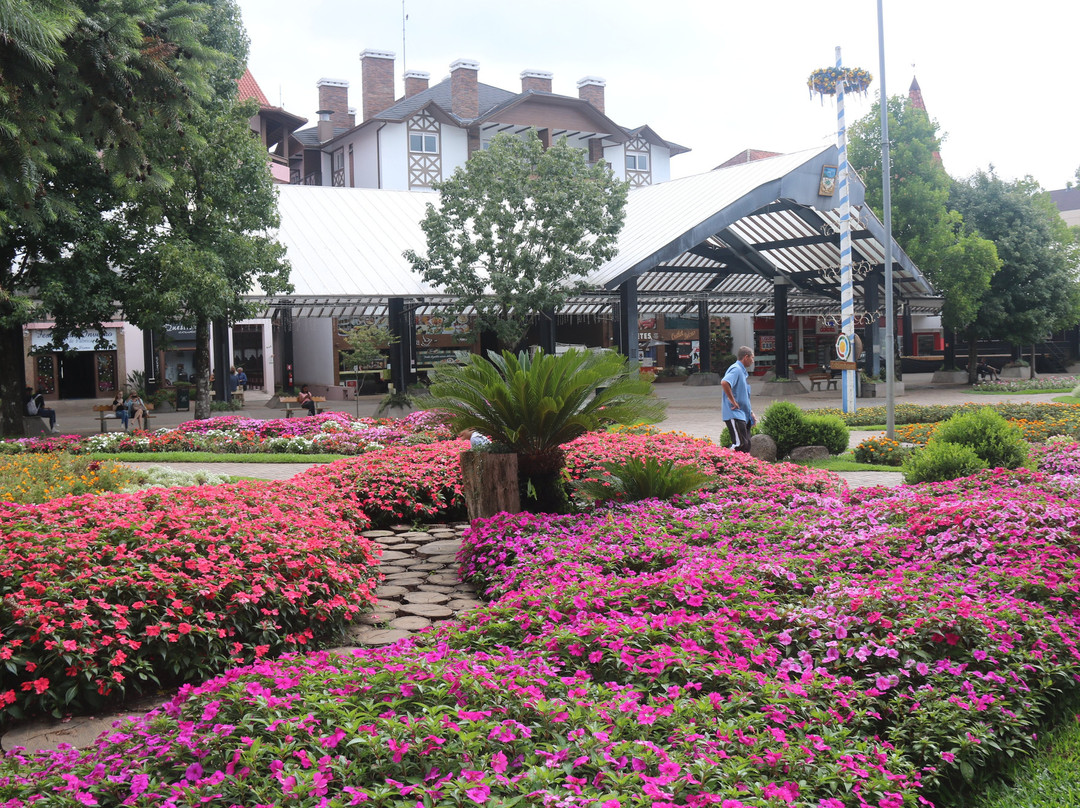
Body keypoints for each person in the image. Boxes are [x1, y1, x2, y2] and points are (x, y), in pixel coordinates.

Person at [721, 346, 755, 453]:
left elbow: (743, 396)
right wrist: (732, 401)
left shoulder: (742, 371)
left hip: (744, 415)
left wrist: (751, 413)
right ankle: (722, 459)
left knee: (746, 445)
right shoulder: (736, 369)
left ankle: (744, 468)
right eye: (752, 358)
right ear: (746, 357)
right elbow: (725, 382)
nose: (753, 361)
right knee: (739, 444)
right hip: (735, 414)